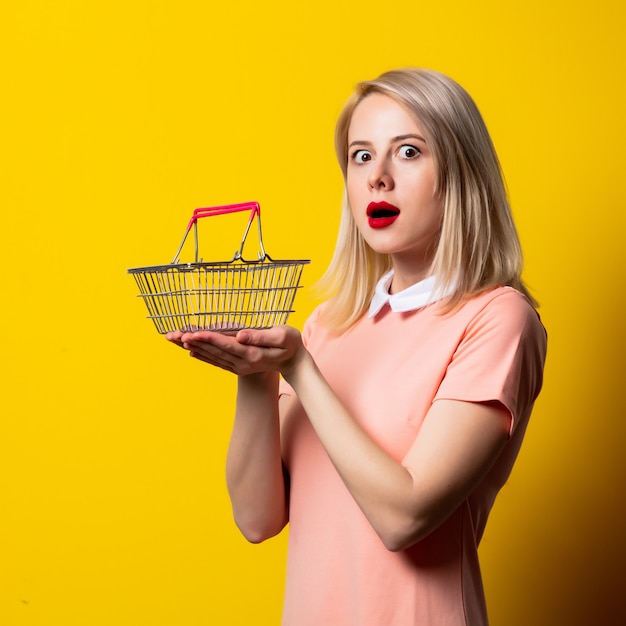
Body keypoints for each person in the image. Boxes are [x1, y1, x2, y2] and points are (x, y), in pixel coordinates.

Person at [166, 68, 547, 625]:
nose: (379, 178)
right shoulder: (330, 324)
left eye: (409, 152)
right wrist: (256, 373)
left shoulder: (498, 319)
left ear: (461, 174)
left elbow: (404, 517)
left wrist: (298, 367)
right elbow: (256, 519)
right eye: (361, 156)